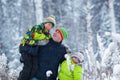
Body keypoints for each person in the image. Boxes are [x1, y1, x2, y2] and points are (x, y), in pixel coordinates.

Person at [18, 15, 56, 80]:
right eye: (48, 24)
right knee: (28, 67)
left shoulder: (48, 35)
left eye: (51, 26)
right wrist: (36, 42)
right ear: (45, 23)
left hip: (34, 51)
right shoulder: (36, 28)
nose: (49, 27)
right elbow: (27, 38)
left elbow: (51, 42)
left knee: (35, 68)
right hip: (26, 48)